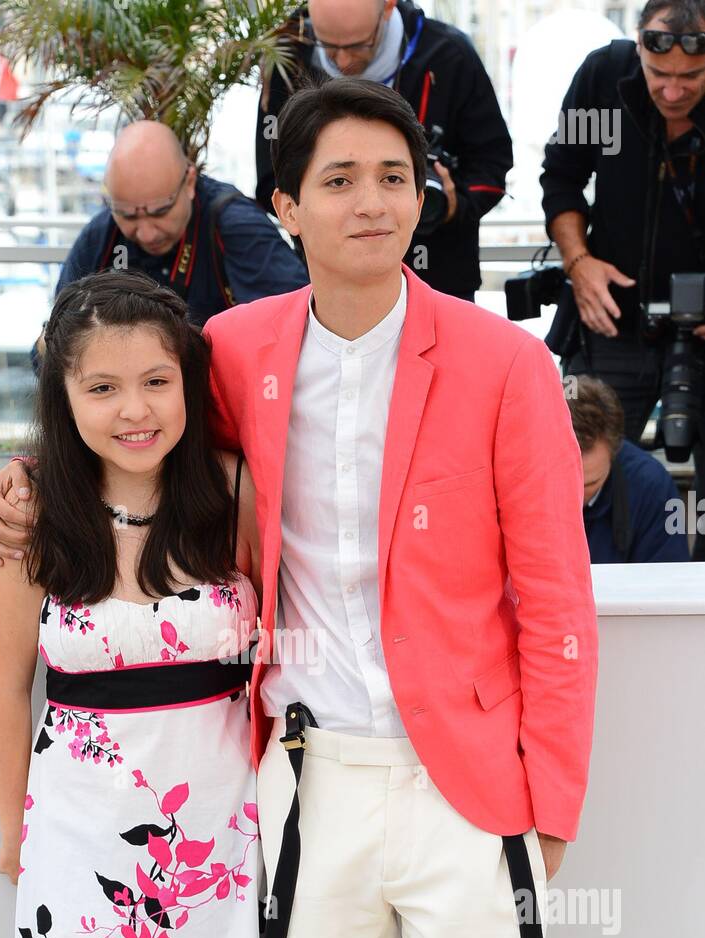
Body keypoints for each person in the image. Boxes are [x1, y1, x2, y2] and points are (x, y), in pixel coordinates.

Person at [0, 78, 598, 938]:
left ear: (424, 195)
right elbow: (117, 410)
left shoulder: (501, 361)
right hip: (299, 787)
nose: (372, 203)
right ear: (284, 208)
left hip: (466, 790)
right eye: (337, 181)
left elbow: (555, 597)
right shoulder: (239, 350)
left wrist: (550, 808)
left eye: (393, 178)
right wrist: (17, 486)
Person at [0, 270, 292, 938]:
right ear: (63, 397)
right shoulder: (32, 516)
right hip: (78, 865)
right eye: (102, 387)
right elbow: (4, 688)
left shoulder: (233, 494)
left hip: (214, 859)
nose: (133, 409)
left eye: (155, 381)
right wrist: (10, 836)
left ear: (188, 382)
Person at [541, 0, 705, 559]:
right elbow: (560, 177)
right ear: (639, 47)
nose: (674, 92)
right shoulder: (603, 76)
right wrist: (579, 263)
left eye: (691, 77)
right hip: (610, 316)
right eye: (660, 75)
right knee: (573, 464)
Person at [255, 0, 513, 301]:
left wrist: (457, 203)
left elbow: (492, 160)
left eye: (357, 45)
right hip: (324, 286)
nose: (341, 59)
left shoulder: (449, 56)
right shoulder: (288, 55)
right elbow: (273, 177)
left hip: (439, 273)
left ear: (388, 7)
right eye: (327, 45)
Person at [31, 120, 309, 368]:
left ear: (189, 182)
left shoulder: (234, 224)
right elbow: (47, 355)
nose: (147, 232)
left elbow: (296, 326)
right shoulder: (101, 235)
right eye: (128, 215)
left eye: (160, 211)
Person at [567, 374, 691, 562]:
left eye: (588, 485)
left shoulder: (652, 488)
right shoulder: (518, 478)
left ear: (615, 451)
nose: (573, 497)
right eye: (564, 484)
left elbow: (668, 580)